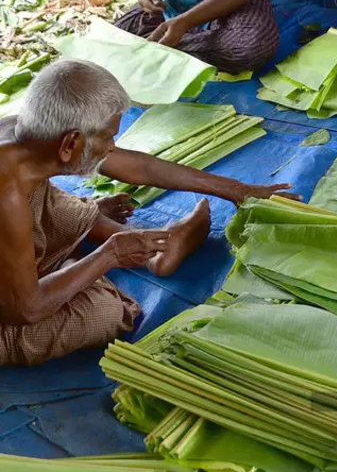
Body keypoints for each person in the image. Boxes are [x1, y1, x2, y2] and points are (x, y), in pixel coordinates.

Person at [0, 59, 296, 366]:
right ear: (70, 143)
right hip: (15, 308)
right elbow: (26, 310)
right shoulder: (7, 192)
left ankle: (89, 258)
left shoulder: (20, 134)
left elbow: (139, 166)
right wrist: (108, 255)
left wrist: (235, 189)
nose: (112, 147)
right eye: (107, 137)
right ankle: (68, 265)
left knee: (51, 200)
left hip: (13, 225)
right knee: (104, 312)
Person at [114, 0, 279, 73]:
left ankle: (161, 48)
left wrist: (186, 21)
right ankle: (178, 45)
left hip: (231, 4)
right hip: (169, 3)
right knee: (116, 36)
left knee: (250, 47)